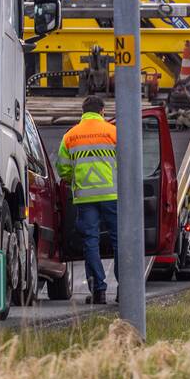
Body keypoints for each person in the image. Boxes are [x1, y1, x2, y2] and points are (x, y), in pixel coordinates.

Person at [56, 96, 117, 305]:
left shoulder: (70, 136)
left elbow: (63, 169)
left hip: (85, 197)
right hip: (113, 195)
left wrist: (75, 179)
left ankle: (98, 290)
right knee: (120, 241)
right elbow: (128, 160)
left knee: (91, 241)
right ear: (102, 111)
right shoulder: (112, 132)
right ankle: (125, 289)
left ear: (83, 112)